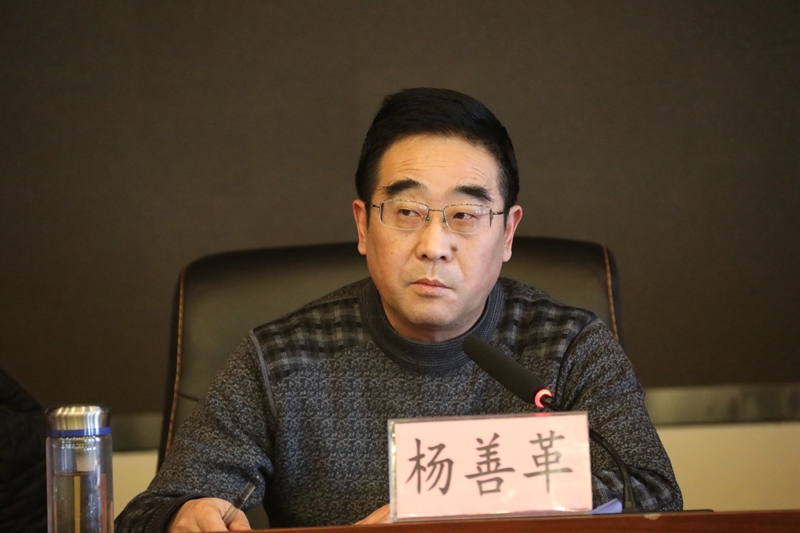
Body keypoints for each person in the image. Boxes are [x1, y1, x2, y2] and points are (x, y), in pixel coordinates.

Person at [116, 88, 682, 533]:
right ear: (364, 225)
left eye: (465, 215)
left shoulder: (568, 345)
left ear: (508, 233)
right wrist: (184, 514)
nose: (434, 245)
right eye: (408, 211)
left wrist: (446, 512)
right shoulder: (282, 359)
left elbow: (653, 493)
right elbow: (151, 512)